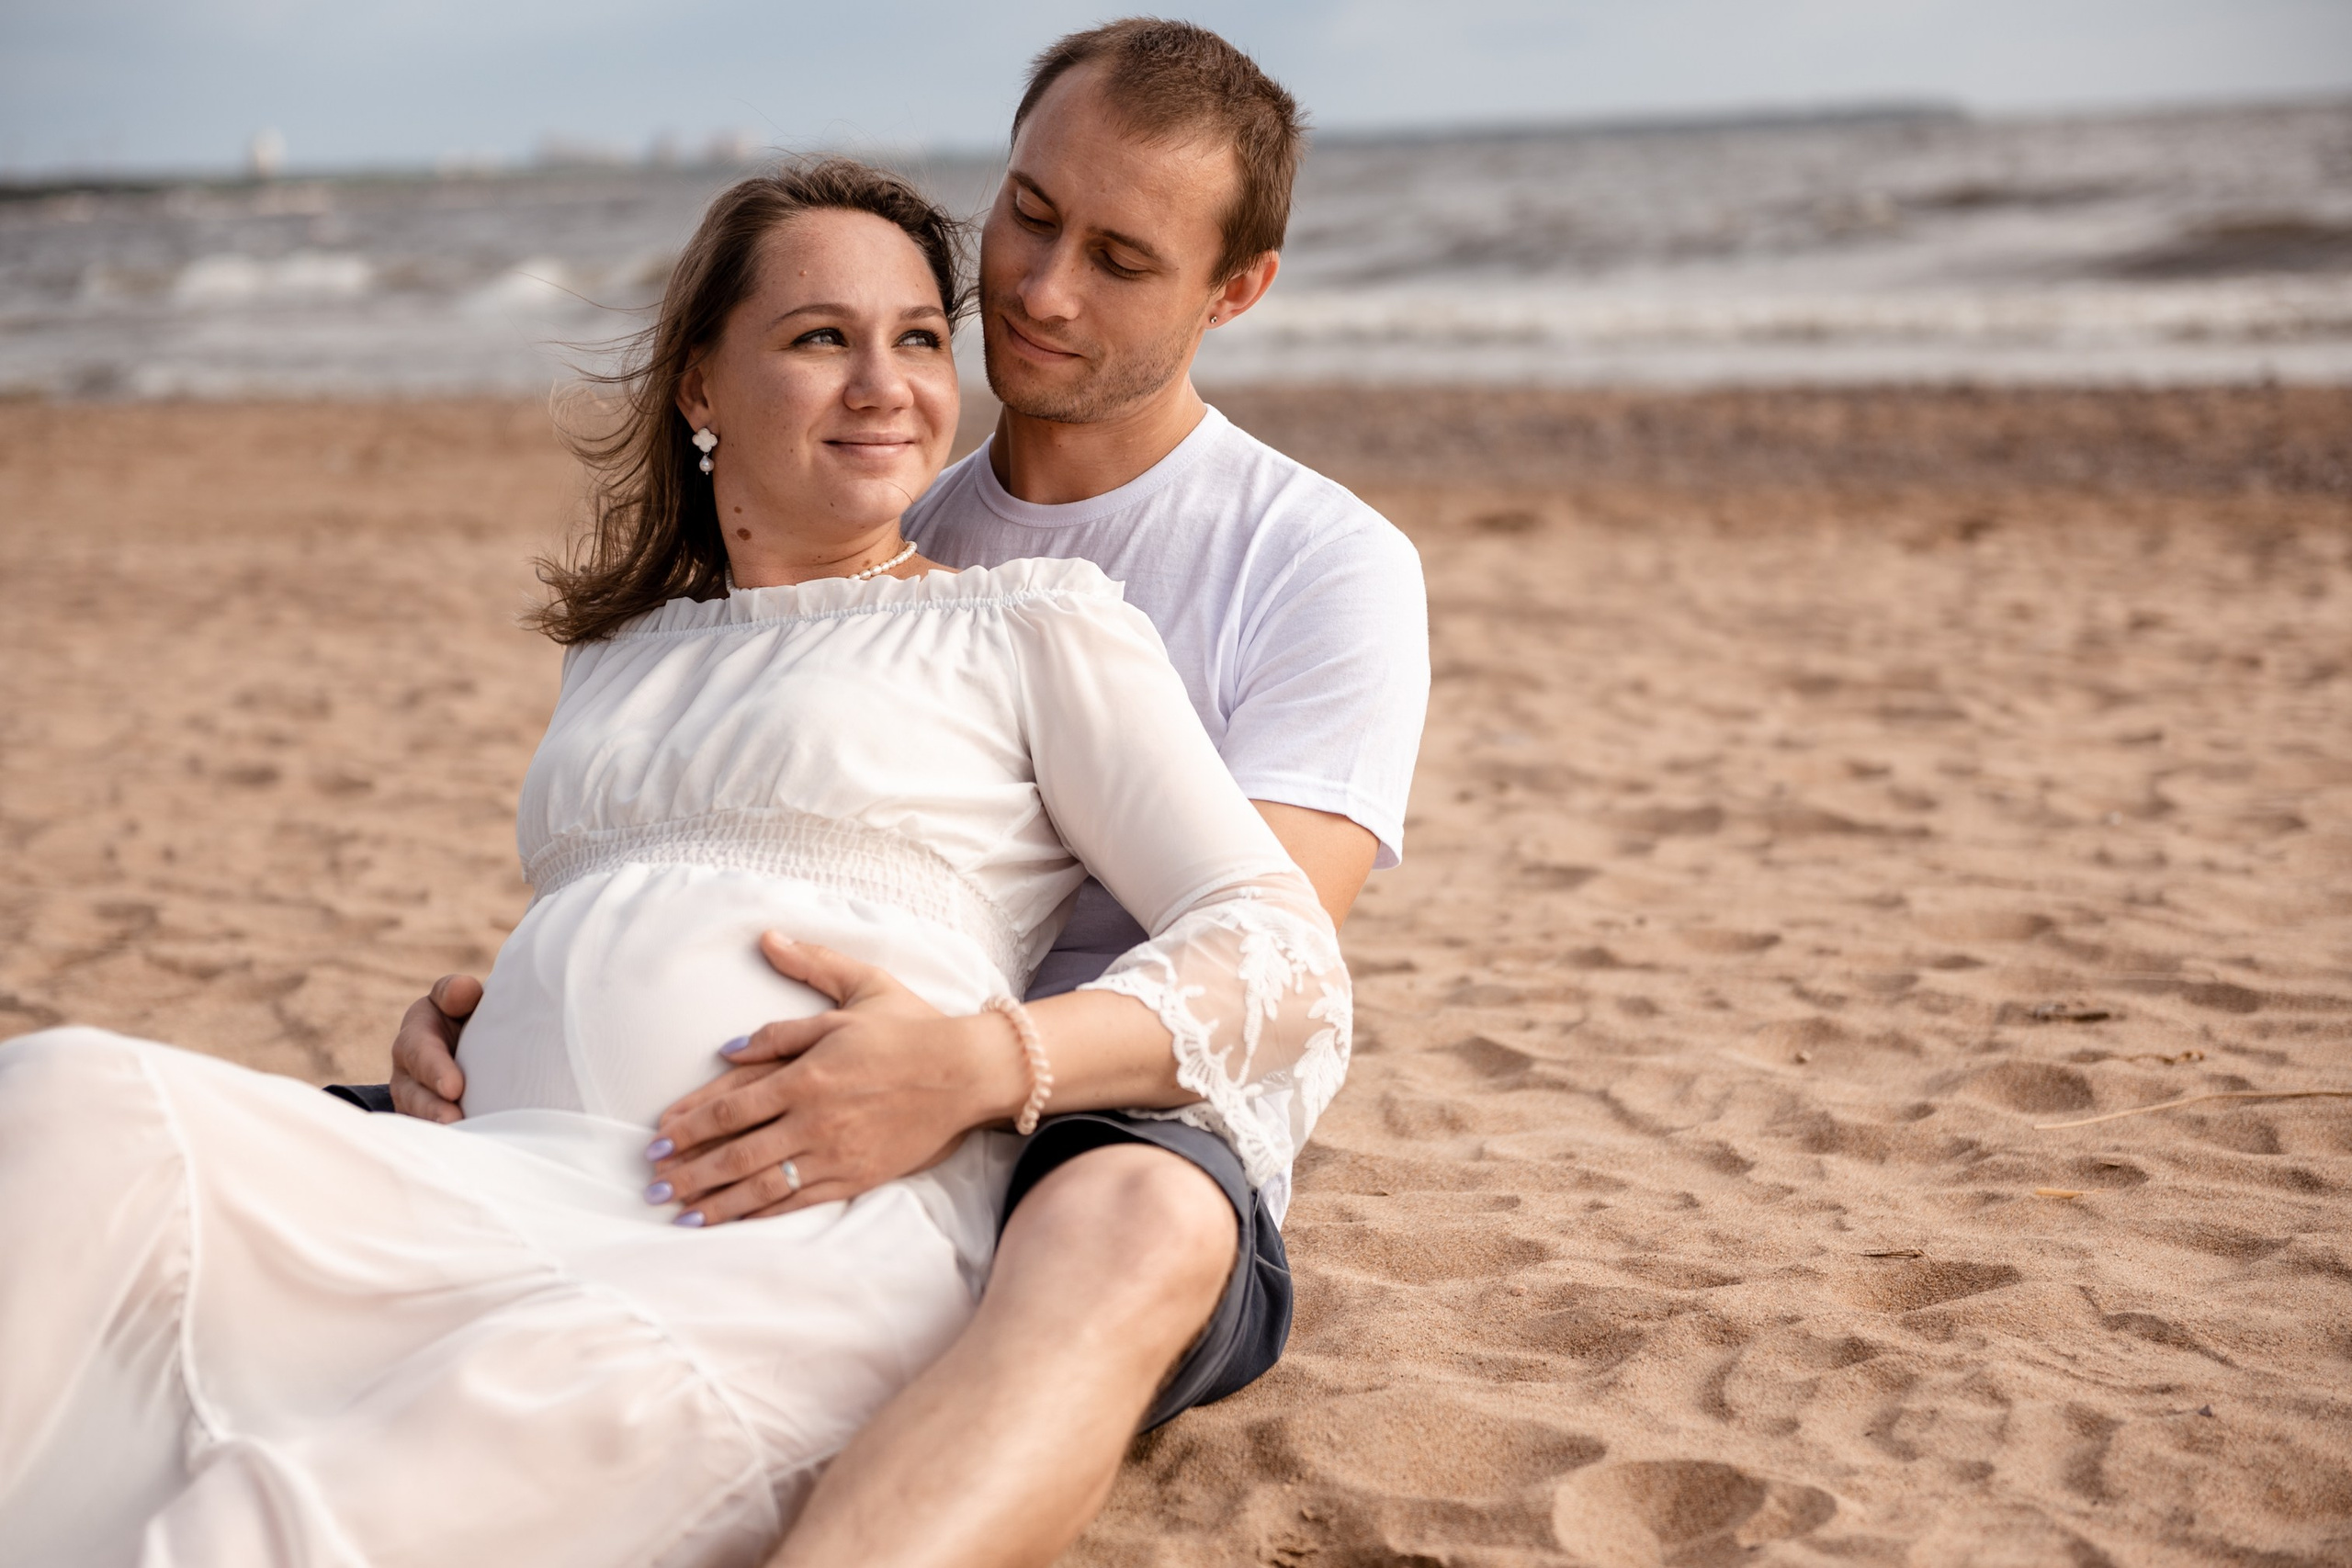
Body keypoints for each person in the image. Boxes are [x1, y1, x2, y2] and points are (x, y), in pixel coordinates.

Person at [0, 159, 1351, 1566]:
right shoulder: (615, 655)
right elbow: (647, 912)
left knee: (301, 1514)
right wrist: (480, 1016)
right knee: (67, 1111)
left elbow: (1280, 951)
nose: (887, 383)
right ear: (702, 385)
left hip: (786, 1240)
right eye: (823, 337)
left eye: (920, 339)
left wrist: (982, 1062)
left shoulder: (1030, 627)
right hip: (495, 1176)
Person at [375, 20, 1430, 1567]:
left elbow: (1270, 955)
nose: (1041, 288)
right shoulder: (874, 506)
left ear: (1236, 290)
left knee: (1124, 1222)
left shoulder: (1320, 562)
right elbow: (726, 823)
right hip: (784, 1071)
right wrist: (507, 1007)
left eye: (1122, 258)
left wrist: (962, 1067)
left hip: (1113, 1117)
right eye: (1030, 213)